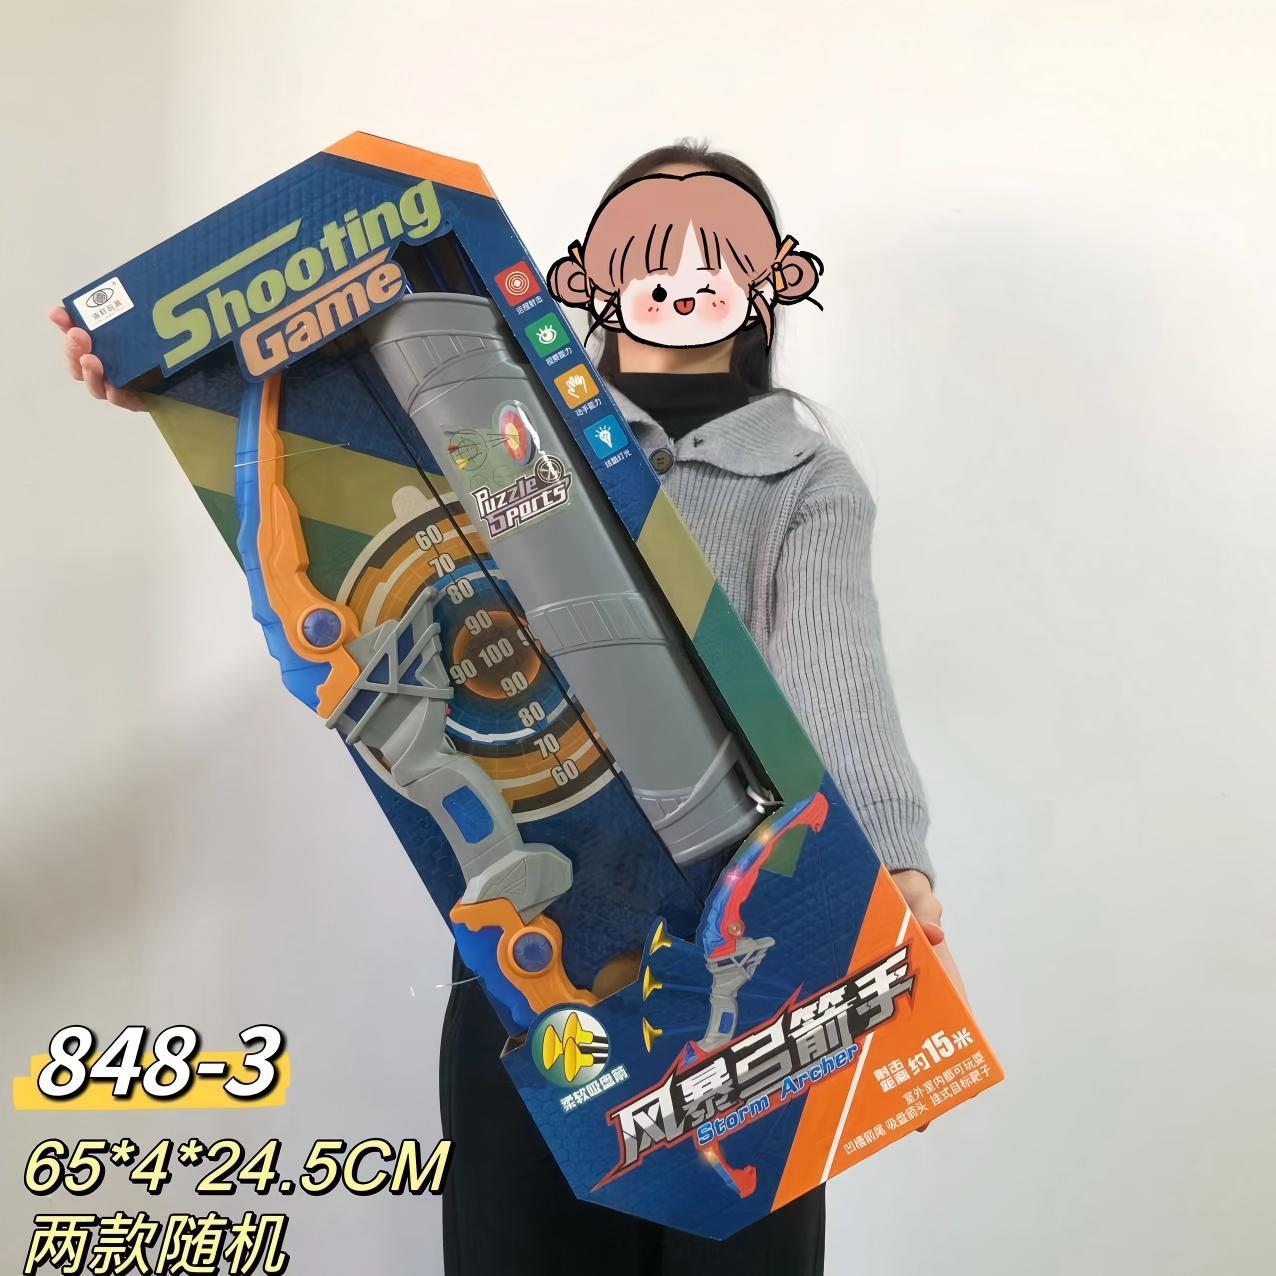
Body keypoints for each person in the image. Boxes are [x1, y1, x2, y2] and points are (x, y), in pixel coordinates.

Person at [51, 140, 962, 1276]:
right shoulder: (502, 417)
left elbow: (832, 669)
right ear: (584, 278)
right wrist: (174, 377)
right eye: (648, 259)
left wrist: (892, 862)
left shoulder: (801, 481)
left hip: (748, 941)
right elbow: (335, 477)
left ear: (772, 282)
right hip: (532, 935)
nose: (682, 284)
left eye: (718, 261)